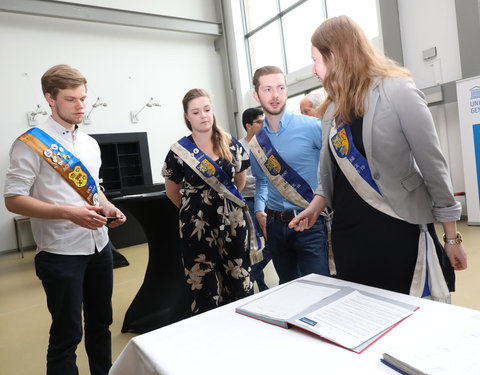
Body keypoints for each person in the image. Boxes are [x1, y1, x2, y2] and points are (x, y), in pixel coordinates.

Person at [289, 15, 467, 298]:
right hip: (350, 238)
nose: (313, 70)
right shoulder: (332, 110)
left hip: (396, 231)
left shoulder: (398, 91)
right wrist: (315, 205)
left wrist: (452, 237)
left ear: (334, 55)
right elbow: (333, 172)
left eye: (316, 59)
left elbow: (434, 167)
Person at [4, 64, 126, 375]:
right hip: (60, 254)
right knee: (66, 335)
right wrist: (67, 212)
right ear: (50, 98)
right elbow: (13, 199)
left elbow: (95, 189)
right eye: (71, 99)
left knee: (101, 324)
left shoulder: (89, 144)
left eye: (84, 98)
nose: (80, 106)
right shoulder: (30, 143)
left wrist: (109, 207)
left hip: (100, 248)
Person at [162, 88, 253, 315]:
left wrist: (222, 204)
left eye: (207, 109)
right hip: (196, 226)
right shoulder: (179, 151)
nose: (203, 115)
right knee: (202, 280)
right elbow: (172, 192)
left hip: (232, 221)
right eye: (196, 112)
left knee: (238, 275)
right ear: (187, 117)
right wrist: (195, 210)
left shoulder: (232, 145)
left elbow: (239, 183)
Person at [249, 65, 329, 285]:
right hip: (275, 225)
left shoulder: (313, 127)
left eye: (280, 88)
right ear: (256, 95)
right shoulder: (256, 144)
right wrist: (258, 211)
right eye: (267, 89)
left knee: (320, 289)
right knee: (288, 291)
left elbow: (332, 171)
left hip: (309, 222)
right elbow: (262, 182)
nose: (275, 95)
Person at [239, 107, 271, 292]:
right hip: (247, 202)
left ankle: (250, 274)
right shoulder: (238, 147)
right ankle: (261, 285)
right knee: (254, 247)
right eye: (259, 122)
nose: (263, 125)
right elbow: (240, 179)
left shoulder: (266, 144)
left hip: (266, 200)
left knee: (272, 244)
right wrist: (261, 178)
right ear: (248, 126)